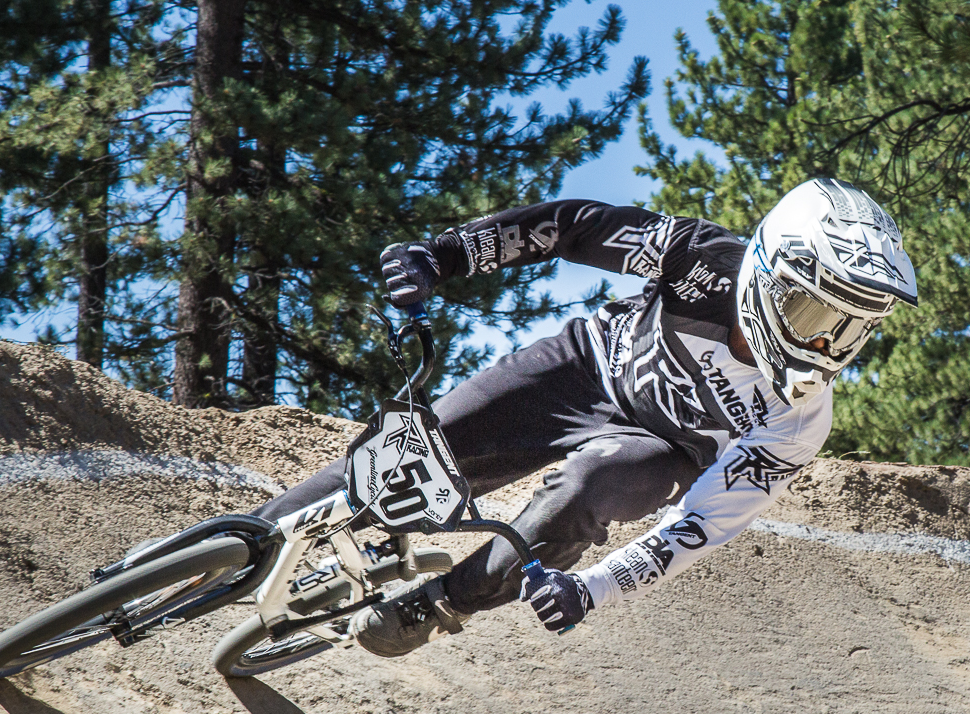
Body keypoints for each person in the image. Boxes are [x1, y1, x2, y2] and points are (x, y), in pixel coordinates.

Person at [253, 178, 917, 657]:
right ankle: (249, 538)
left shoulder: (801, 418)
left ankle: (443, 602)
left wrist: (591, 590)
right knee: (405, 458)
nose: (828, 345)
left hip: (659, 450)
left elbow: (702, 524)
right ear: (771, 276)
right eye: (819, 317)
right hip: (584, 367)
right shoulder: (701, 258)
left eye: (851, 330)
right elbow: (575, 227)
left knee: (582, 492)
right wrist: (446, 255)